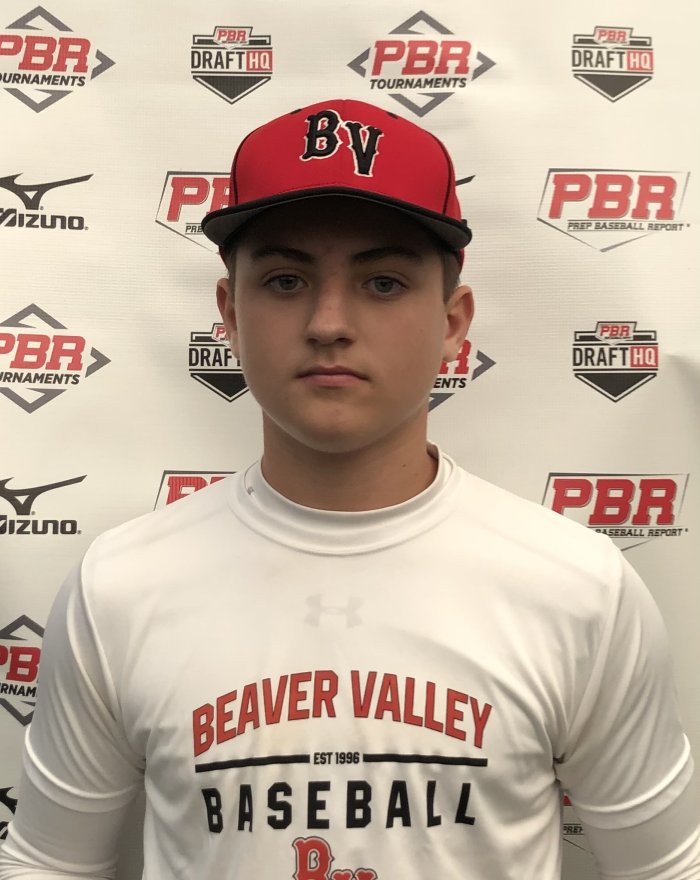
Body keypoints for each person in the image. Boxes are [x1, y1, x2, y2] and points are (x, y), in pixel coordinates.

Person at [0, 98, 698, 880]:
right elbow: (47, 866)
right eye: (286, 279)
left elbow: (665, 871)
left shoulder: (577, 590)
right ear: (230, 313)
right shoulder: (122, 588)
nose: (329, 322)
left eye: (384, 282)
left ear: (454, 322)